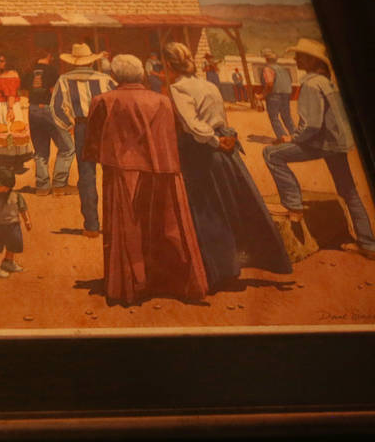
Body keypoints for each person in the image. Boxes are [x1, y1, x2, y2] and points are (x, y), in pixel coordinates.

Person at [164, 42, 292, 293]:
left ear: (169, 65)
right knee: (233, 204)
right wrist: (223, 140)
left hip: (201, 153)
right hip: (224, 149)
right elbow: (219, 118)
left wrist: (214, 141)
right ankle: (231, 267)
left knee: (207, 210)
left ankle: (219, 271)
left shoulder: (178, 88)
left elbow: (193, 126)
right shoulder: (209, 85)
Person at [83, 54, 207, 305]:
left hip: (121, 170)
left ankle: (128, 286)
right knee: (166, 225)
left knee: (127, 228)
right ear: (141, 74)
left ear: (114, 76)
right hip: (163, 168)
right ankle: (170, 281)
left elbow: (92, 145)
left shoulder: (103, 101)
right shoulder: (162, 101)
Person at [263, 38, 375, 260]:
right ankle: (369, 245)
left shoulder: (310, 84)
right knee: (349, 191)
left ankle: (293, 206)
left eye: (300, 55)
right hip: (336, 144)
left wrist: (292, 138)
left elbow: (312, 125)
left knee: (270, 153)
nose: (296, 59)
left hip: (322, 143)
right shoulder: (327, 82)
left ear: (312, 60)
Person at [49, 43, 116, 236]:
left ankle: (92, 225)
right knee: (110, 174)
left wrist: (69, 126)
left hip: (82, 127)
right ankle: (112, 225)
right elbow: (116, 102)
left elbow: (57, 108)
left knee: (87, 176)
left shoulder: (64, 79)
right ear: (90, 60)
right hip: (104, 127)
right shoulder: (105, 79)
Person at [21, 47, 67, 195]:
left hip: (33, 109)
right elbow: (55, 92)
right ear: (48, 55)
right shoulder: (52, 71)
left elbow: (25, 91)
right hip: (49, 109)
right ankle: (59, 184)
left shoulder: (29, 70)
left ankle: (42, 186)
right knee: (67, 147)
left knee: (40, 151)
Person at [0, 52, 33, 173]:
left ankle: (12, 160)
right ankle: (0, 159)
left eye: (2, 61)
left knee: (10, 132)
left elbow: (11, 93)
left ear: (9, 62)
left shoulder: (12, 74)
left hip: (7, 105)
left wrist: (10, 109)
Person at [0, 168, 32, 278]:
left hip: (13, 225)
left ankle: (8, 262)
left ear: (7, 186)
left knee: (13, 244)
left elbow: (23, 209)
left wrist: (27, 220)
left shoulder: (17, 196)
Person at [258, 48, 295, 142]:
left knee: (274, 117)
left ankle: (282, 137)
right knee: (286, 116)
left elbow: (269, 84)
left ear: (266, 59)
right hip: (286, 94)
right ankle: (295, 136)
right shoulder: (283, 69)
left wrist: (261, 95)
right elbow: (289, 82)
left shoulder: (267, 69)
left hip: (274, 95)